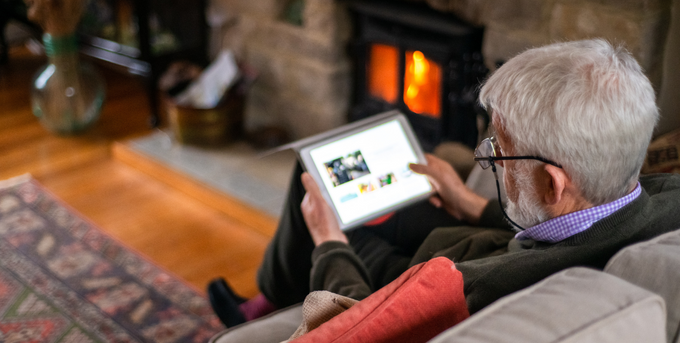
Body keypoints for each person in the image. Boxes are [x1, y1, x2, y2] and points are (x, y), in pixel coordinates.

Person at [208, 39, 680, 328]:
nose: (488, 157)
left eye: (499, 151)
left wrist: (330, 244)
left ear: (553, 185)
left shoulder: (479, 289)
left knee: (312, 182)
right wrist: (473, 203)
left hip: (414, 273)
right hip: (473, 238)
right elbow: (570, 222)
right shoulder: (665, 202)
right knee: (335, 181)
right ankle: (271, 293)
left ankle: (264, 303)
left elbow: (358, 317)